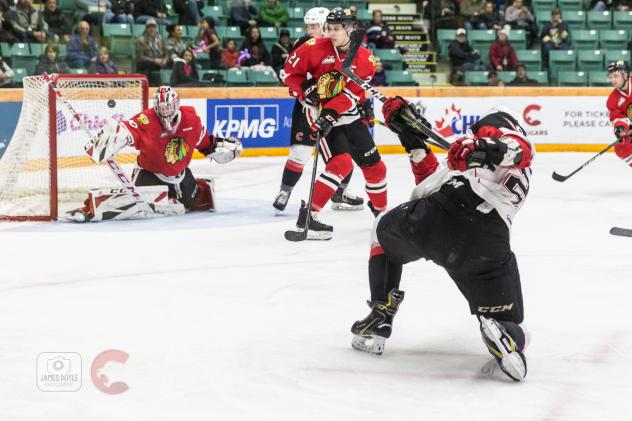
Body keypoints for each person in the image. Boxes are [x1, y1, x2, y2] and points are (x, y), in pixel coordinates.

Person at [350, 96, 533, 382]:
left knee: (380, 230)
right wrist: (412, 138)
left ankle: (382, 309)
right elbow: (429, 179)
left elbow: (517, 149)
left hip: (441, 218)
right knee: (514, 324)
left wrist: (479, 146)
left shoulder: (505, 142)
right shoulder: (485, 165)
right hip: (487, 246)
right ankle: (503, 335)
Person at [281, 8, 388, 239]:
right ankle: (309, 215)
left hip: (346, 112)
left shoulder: (365, 58)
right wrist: (304, 89)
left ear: (349, 29)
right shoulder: (313, 48)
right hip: (317, 111)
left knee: (376, 167)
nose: (330, 33)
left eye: (336, 29)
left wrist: (335, 112)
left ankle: (383, 216)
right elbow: (288, 72)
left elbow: (353, 93)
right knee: (341, 164)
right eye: (328, 28)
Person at [70, 86, 243, 222]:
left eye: (168, 107)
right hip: (149, 175)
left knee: (189, 205)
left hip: (180, 176)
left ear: (176, 105)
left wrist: (217, 147)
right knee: (139, 206)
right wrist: (113, 137)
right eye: (161, 107)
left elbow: (204, 141)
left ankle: (199, 186)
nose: (164, 111)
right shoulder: (147, 119)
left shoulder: (191, 119)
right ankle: (89, 208)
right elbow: (129, 128)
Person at [273, 7, 365, 215]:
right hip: (309, 108)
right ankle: (285, 191)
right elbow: (287, 74)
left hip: (335, 109)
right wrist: (305, 89)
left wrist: (361, 101)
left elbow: (355, 78)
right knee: (301, 151)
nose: (310, 29)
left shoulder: (342, 44)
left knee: (343, 155)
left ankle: (340, 191)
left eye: (314, 25)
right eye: (308, 26)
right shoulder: (304, 44)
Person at [606, 60, 632, 168]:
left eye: (616, 76)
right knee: (621, 147)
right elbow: (619, 119)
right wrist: (620, 130)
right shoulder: (613, 99)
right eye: (611, 77)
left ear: (625, 75)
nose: (613, 80)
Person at [135, 18, 168, 86]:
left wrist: (165, 60)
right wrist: (154, 60)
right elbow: (140, 57)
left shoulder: (161, 39)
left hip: (159, 64)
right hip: (147, 65)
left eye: (153, 27)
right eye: (149, 27)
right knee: (151, 70)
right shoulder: (140, 40)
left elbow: (167, 53)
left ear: (156, 28)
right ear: (146, 29)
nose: (151, 29)